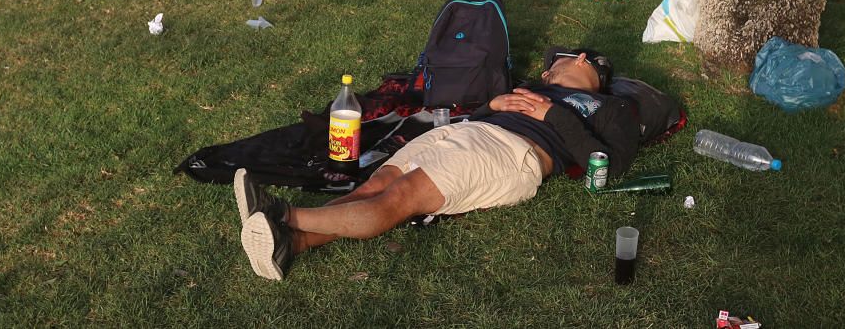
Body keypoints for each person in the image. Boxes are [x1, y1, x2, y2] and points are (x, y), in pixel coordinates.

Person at [234, 46, 643, 280]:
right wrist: (491, 105)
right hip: (465, 134)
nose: (545, 70)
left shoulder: (612, 107)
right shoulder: (533, 88)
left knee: (400, 199)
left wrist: (552, 116)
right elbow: (486, 114)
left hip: (511, 152)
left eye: (553, 63)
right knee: (371, 190)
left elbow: (609, 164)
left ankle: (279, 214)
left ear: (582, 59)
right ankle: (291, 245)